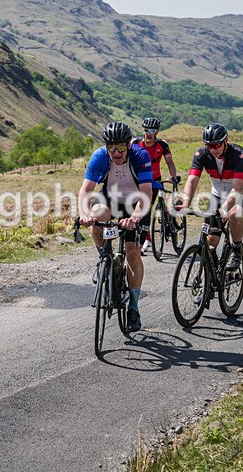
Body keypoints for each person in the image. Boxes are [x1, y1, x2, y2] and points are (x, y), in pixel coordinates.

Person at [78, 122, 153, 332]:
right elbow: (86, 189)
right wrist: (84, 214)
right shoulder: (99, 156)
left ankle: (134, 307)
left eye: (120, 146)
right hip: (110, 199)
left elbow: (146, 194)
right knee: (96, 219)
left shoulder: (140, 156)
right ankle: (104, 256)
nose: (116, 152)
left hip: (137, 202)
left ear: (128, 145)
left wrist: (135, 218)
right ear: (106, 147)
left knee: (132, 255)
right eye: (111, 147)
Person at [179, 123, 243, 270]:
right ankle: (212, 278)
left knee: (234, 214)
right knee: (211, 240)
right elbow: (192, 180)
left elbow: (237, 188)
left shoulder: (239, 154)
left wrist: (225, 208)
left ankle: (236, 250)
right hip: (218, 194)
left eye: (216, 145)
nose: (213, 149)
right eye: (209, 146)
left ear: (225, 141)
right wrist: (185, 203)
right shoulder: (202, 154)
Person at [131, 117, 180, 255]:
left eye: (152, 130)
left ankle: (168, 219)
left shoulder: (162, 145)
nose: (149, 133)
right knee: (140, 208)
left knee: (148, 208)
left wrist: (173, 177)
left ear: (157, 131)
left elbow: (169, 162)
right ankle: (147, 237)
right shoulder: (135, 143)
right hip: (138, 180)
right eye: (146, 130)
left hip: (155, 179)